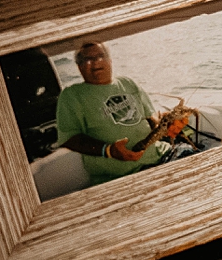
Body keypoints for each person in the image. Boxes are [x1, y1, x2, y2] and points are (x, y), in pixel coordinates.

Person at [54, 42, 188, 187]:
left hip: (162, 156)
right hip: (121, 177)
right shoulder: (71, 95)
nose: (96, 62)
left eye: (101, 56)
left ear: (110, 61)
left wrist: (167, 124)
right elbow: (69, 138)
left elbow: (152, 119)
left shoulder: (128, 83)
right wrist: (109, 150)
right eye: (88, 59)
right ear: (79, 67)